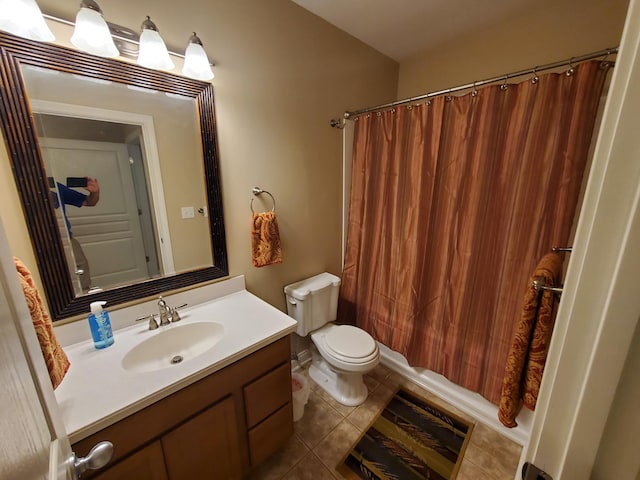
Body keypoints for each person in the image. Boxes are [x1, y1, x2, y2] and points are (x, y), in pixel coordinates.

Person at [51, 177, 100, 291]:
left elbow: (90, 201)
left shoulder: (56, 187)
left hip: (67, 240)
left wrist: (95, 192)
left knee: (83, 282)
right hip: (39, 245)